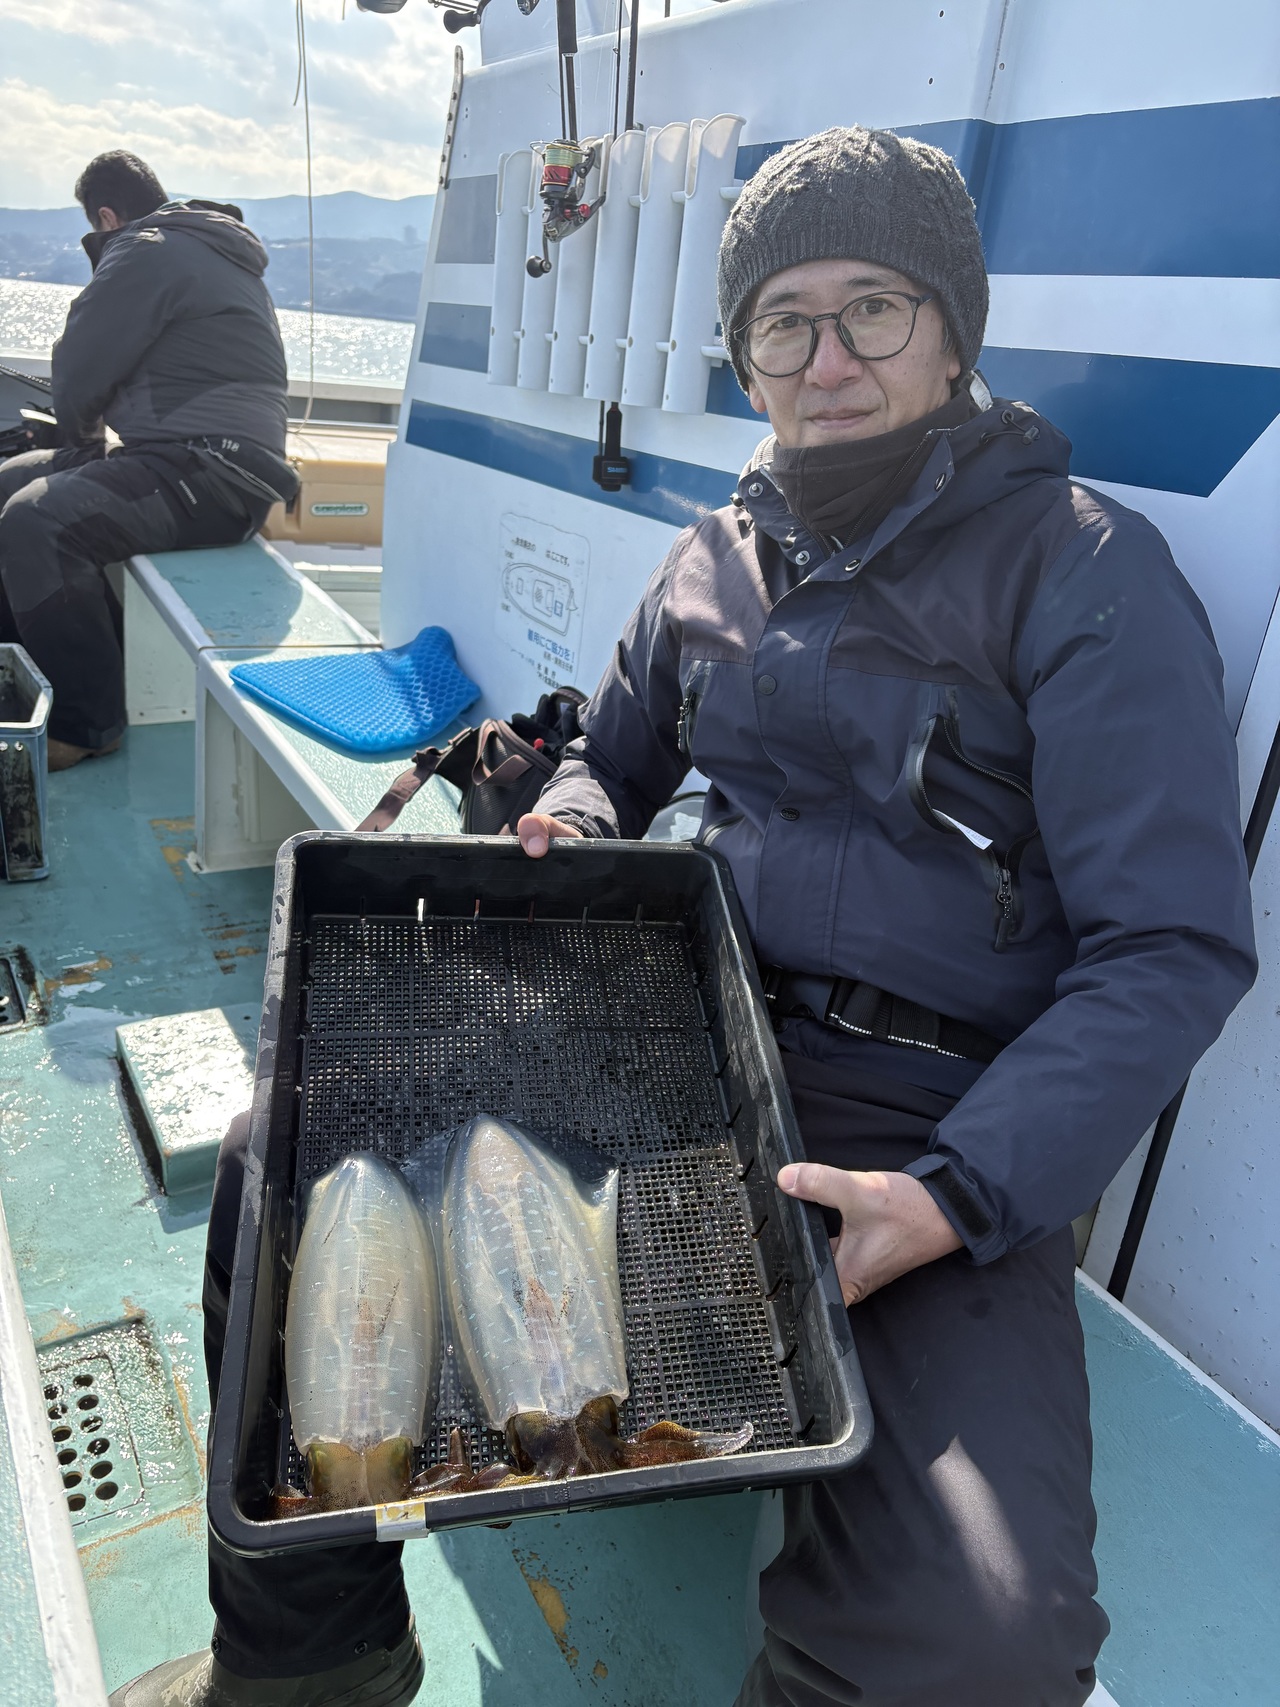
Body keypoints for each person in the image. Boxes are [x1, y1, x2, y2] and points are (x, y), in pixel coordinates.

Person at [110, 129, 1255, 1707]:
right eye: (784, 321)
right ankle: (317, 1663)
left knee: (979, 1641)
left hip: (920, 1126)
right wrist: (574, 817)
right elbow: (613, 755)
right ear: (745, 355)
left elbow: (1171, 947)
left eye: (875, 309)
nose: (828, 360)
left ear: (954, 331)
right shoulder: (713, 555)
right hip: (662, 1038)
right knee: (277, 1145)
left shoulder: (1084, 575)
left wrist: (957, 1191)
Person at [0, 151, 298, 770]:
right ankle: (22, 673)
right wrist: (82, 449)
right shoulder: (202, 247)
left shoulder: (147, 248)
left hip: (213, 475)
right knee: (9, 481)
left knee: (35, 521)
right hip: (201, 462)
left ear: (107, 217)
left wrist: (81, 441)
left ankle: (86, 724)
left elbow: (79, 366)